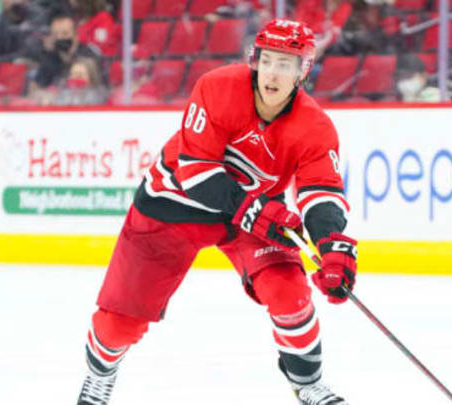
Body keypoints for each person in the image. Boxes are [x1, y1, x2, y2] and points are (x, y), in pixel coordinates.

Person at [76, 19, 357, 405]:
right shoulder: (217, 87)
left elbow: (321, 191)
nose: (274, 73)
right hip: (172, 207)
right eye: (269, 60)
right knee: (118, 327)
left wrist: (332, 246)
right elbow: (196, 172)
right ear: (255, 61)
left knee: (289, 292)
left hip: (249, 215)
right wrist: (254, 211)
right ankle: (100, 373)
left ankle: (307, 383)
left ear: (303, 71)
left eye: (287, 64)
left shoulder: (315, 127)